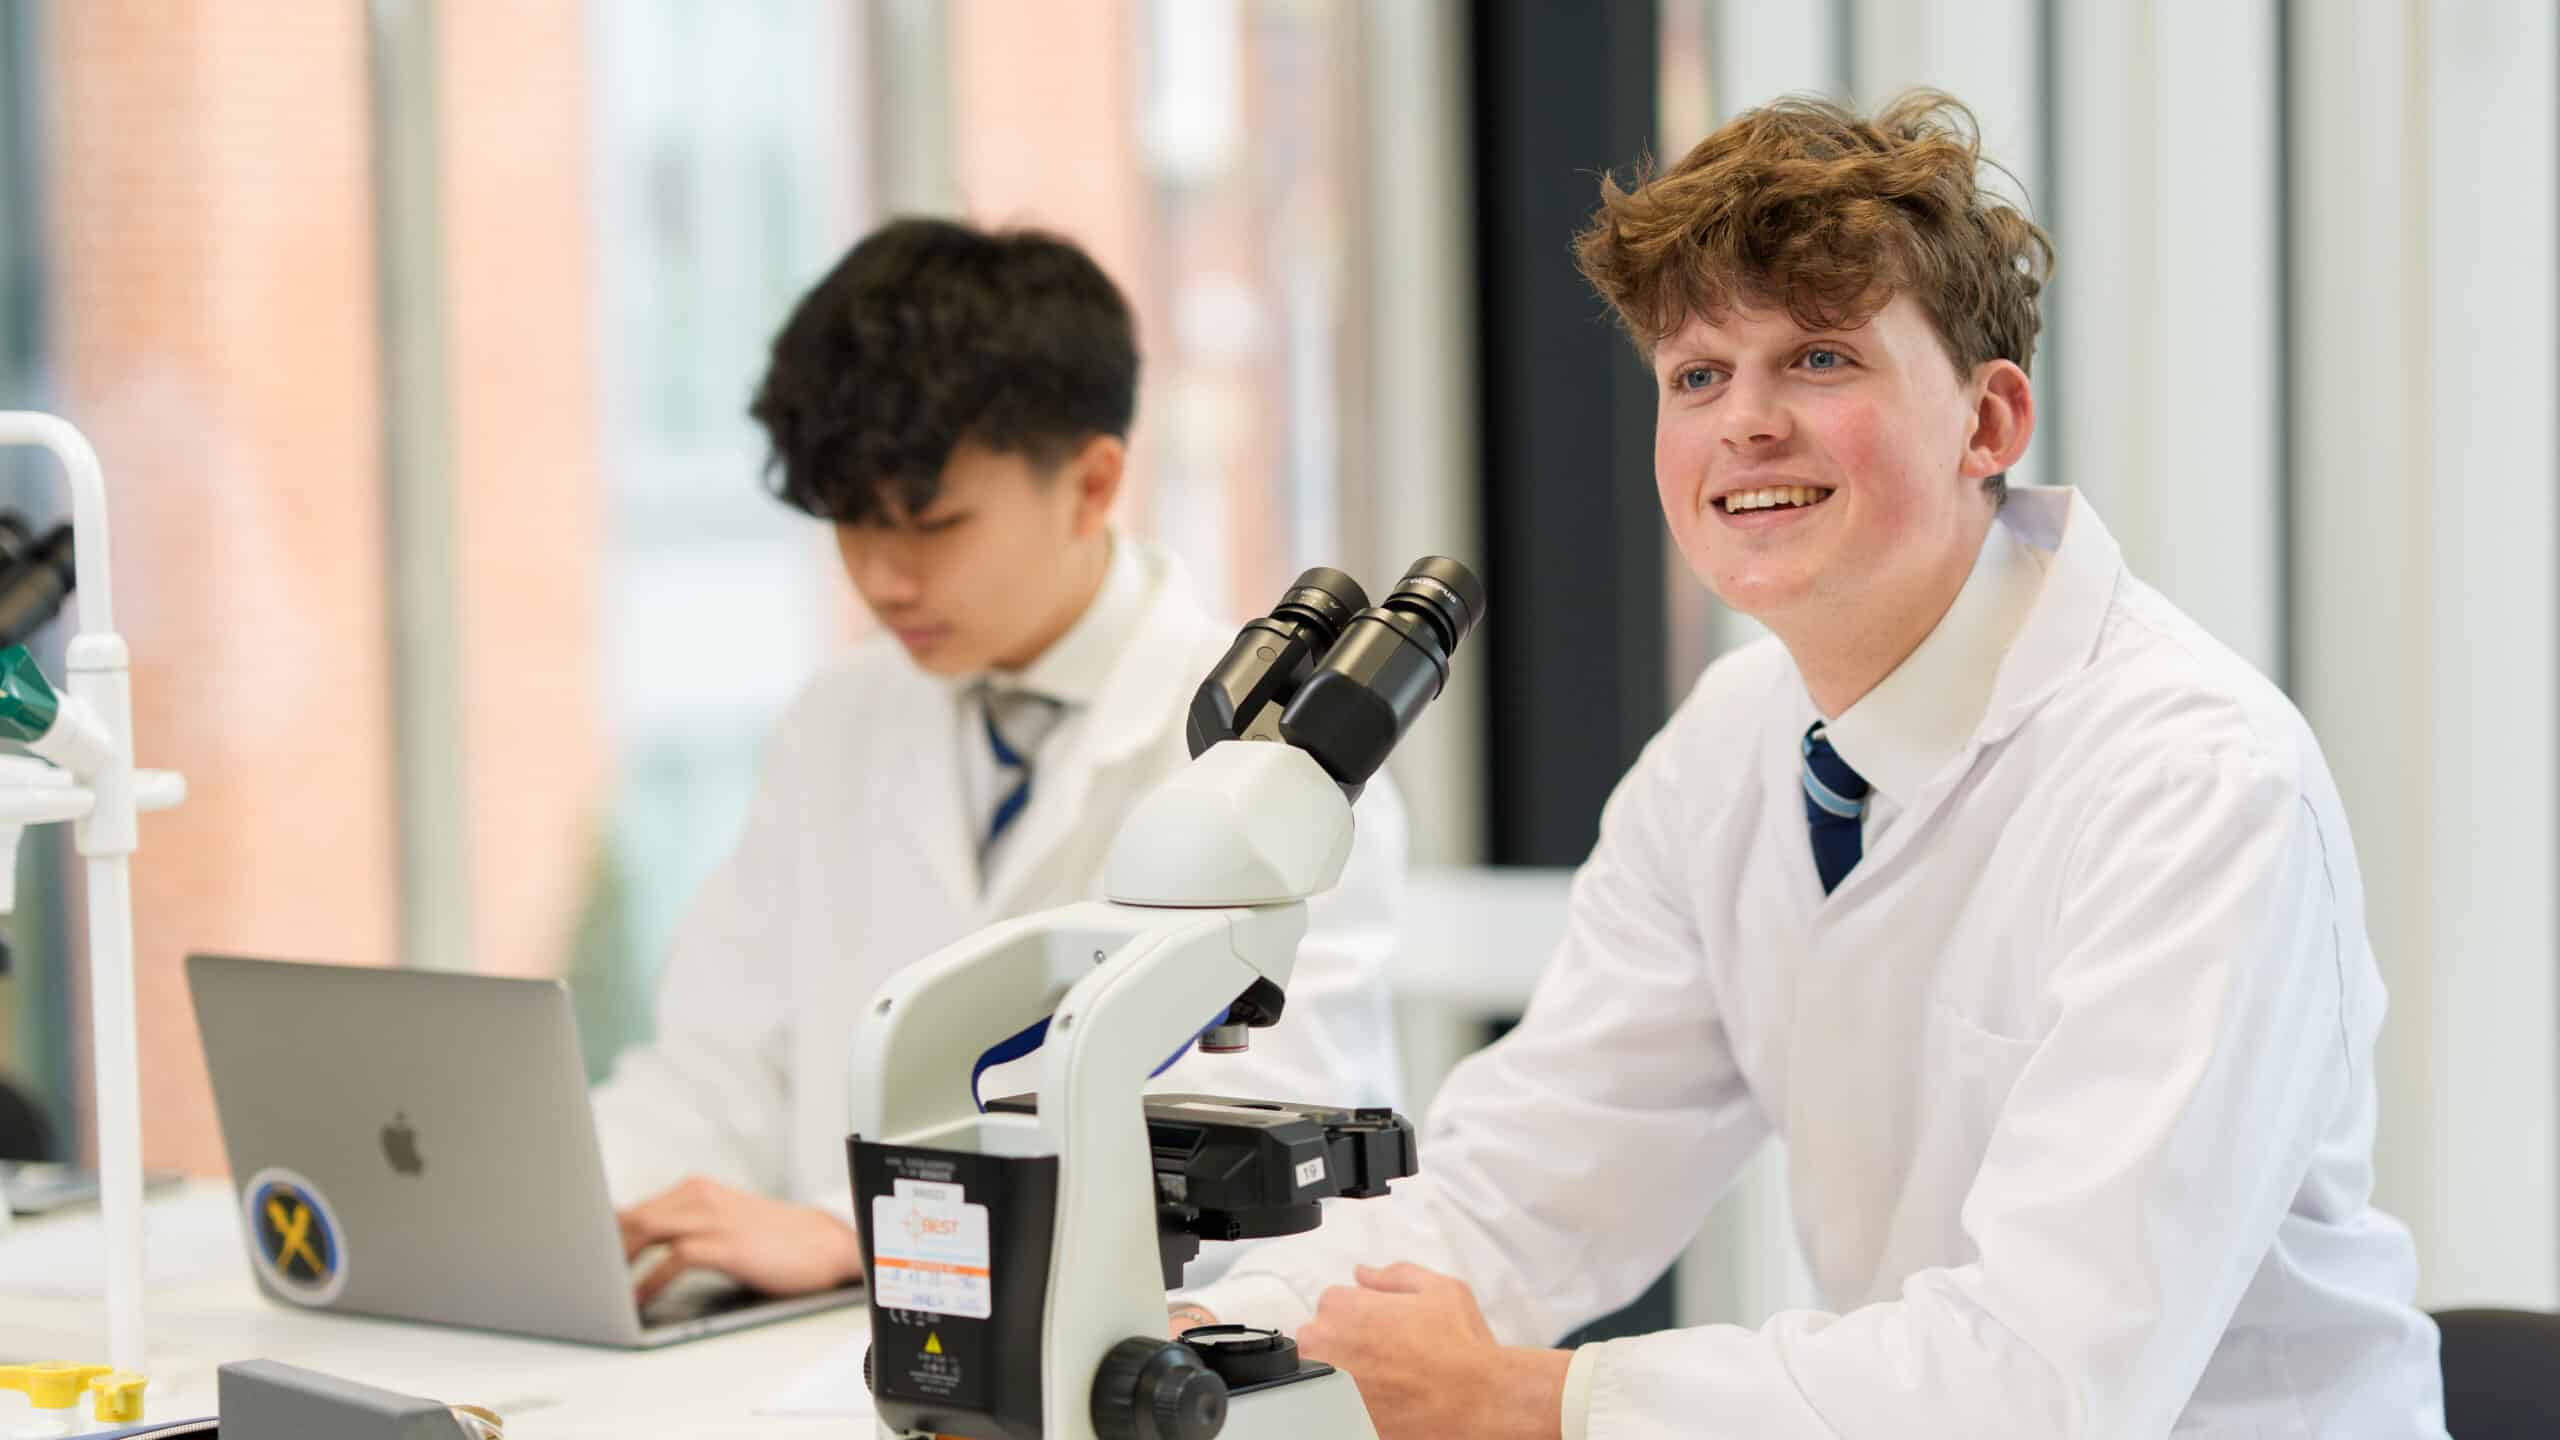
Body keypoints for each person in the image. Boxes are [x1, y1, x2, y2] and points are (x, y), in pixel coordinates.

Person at [1175, 92, 2446, 1437]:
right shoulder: (1731, 748)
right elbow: (1526, 1189)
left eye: (1821, 359)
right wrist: (1218, 1337)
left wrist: (1544, 1402)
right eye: (1697, 376)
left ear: (1988, 421)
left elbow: (2045, 1379)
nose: (1745, 424)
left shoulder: (2196, 782)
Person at [590, 217, 1408, 1308]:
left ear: (1092, 484)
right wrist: (577, 1211)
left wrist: (851, 1234)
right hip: (815, 1344)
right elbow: (715, 1076)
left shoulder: (1288, 768)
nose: (882, 579)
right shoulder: (836, 720)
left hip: (1121, 1346)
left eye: (930, 524)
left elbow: (1266, 1149)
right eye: (850, 524)